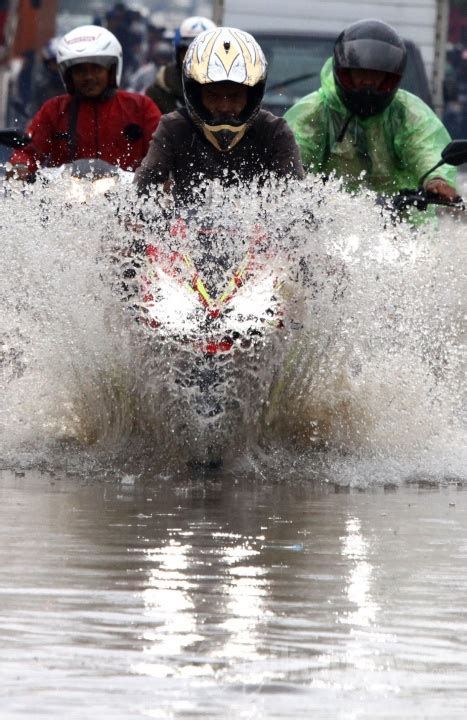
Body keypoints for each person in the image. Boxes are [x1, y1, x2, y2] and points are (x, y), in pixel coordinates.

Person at [284, 19, 459, 202]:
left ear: (391, 78)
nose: (368, 83)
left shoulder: (407, 112)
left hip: (404, 222)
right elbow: (291, 158)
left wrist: (437, 180)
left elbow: (426, 146)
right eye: (360, 73)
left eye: (376, 75)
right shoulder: (313, 111)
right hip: (326, 218)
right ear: (343, 72)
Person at [134, 27, 304, 203]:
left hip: (257, 228)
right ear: (196, 94)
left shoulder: (275, 131)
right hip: (184, 228)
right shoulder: (173, 128)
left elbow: (297, 198)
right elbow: (140, 193)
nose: (224, 106)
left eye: (235, 96)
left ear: (252, 95)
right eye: (213, 96)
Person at [8, 25, 162, 181]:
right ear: (69, 75)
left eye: (96, 68)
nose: (88, 76)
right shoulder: (54, 109)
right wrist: (21, 166)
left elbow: (161, 152)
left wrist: (159, 176)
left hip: (128, 199)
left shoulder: (141, 107)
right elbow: (29, 150)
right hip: (64, 198)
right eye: (80, 70)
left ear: (111, 70)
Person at [145, 16, 217, 114]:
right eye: (188, 53)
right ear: (178, 54)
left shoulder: (227, 92)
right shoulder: (159, 92)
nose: (195, 60)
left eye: (203, 54)